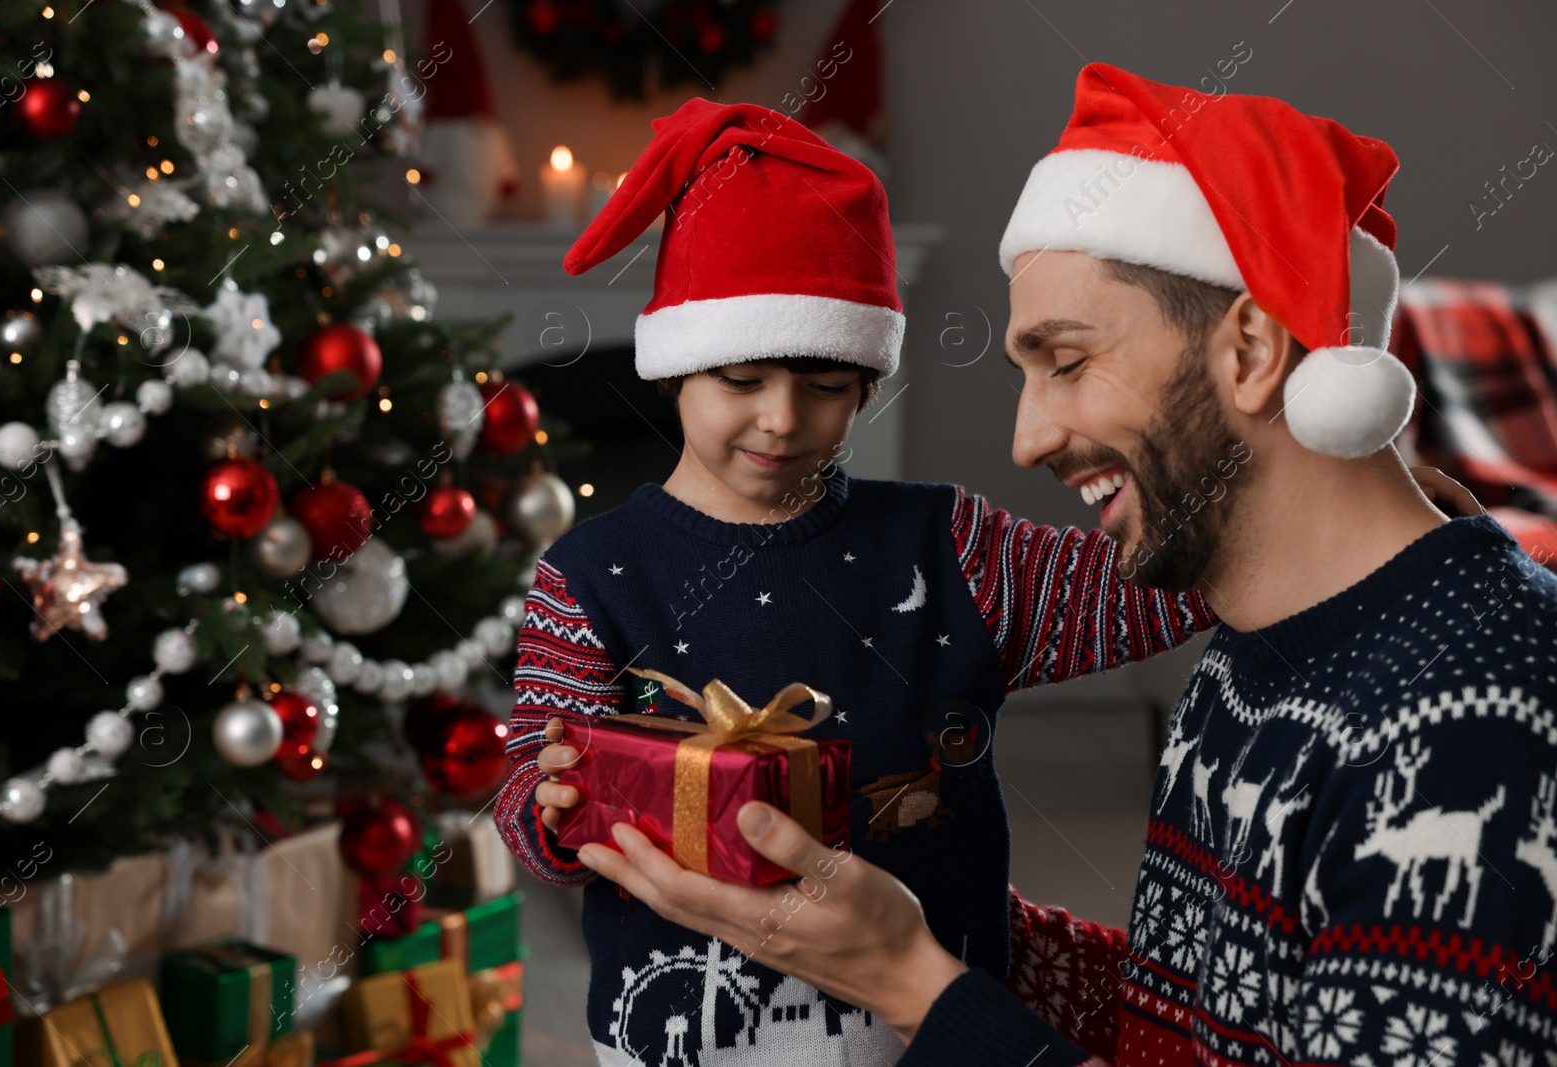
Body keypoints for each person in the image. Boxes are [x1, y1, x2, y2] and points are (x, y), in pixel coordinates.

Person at [574, 64, 1557, 1065]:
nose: (1026, 438)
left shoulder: (1480, 713)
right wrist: (915, 914)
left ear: (1253, 349)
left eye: (1068, 361)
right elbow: (1210, 1024)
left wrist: (914, 985)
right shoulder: (1253, 650)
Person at [492, 97, 1218, 1067]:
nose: (782, 419)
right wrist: (549, 810)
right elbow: (525, 790)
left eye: (824, 386)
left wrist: (1287, 521)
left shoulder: (948, 542)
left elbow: (1131, 585)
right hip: (680, 1030)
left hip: (936, 1023)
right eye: (741, 380)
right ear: (674, 371)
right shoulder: (586, 574)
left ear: (866, 385)